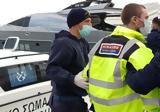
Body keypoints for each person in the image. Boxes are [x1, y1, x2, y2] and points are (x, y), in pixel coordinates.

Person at [82, 3, 160, 112]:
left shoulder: (100, 44)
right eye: (146, 18)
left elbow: (86, 76)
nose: (149, 22)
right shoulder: (136, 48)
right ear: (135, 20)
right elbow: (151, 89)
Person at [46, 8, 93, 112]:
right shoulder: (63, 43)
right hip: (64, 102)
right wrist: (72, 79)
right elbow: (52, 69)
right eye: (87, 21)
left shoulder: (82, 42)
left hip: (78, 99)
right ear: (75, 23)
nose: (90, 25)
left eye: (91, 21)